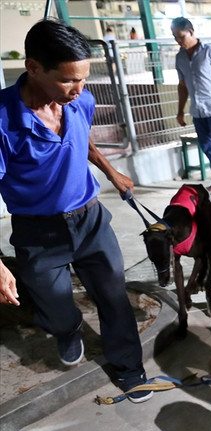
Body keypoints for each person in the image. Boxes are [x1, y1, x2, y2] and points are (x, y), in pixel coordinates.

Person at [0, 19, 152, 402]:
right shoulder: (3, 120)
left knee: (114, 296)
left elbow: (80, 139)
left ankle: (130, 369)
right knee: (54, 304)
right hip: (38, 233)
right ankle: (67, 329)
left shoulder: (80, 100)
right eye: (68, 80)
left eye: (83, 79)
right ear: (33, 68)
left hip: (90, 219)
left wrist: (111, 170)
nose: (80, 90)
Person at [172, 17, 211, 194]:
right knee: (206, 146)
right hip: (197, 110)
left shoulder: (210, 52)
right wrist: (180, 111)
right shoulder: (179, 57)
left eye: (181, 36)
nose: (178, 41)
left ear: (191, 32)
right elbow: (183, 86)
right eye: (175, 37)